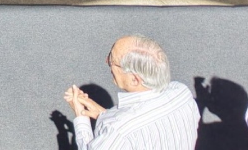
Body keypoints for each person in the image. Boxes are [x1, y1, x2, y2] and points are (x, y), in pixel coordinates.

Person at [63, 36, 200, 150]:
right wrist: (104, 115)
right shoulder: (182, 93)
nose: (107, 61)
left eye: (112, 60)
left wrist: (81, 117)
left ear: (134, 79)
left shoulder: (119, 131)